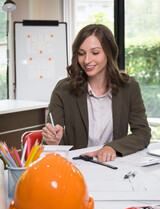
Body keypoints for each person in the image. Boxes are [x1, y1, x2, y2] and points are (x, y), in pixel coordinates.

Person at [42, 24, 151, 162]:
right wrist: (52, 141)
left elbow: (142, 133)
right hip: (77, 166)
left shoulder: (129, 87)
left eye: (95, 53)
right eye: (81, 53)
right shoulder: (63, 89)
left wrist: (112, 147)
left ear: (109, 52)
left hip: (113, 164)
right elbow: (51, 139)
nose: (87, 60)